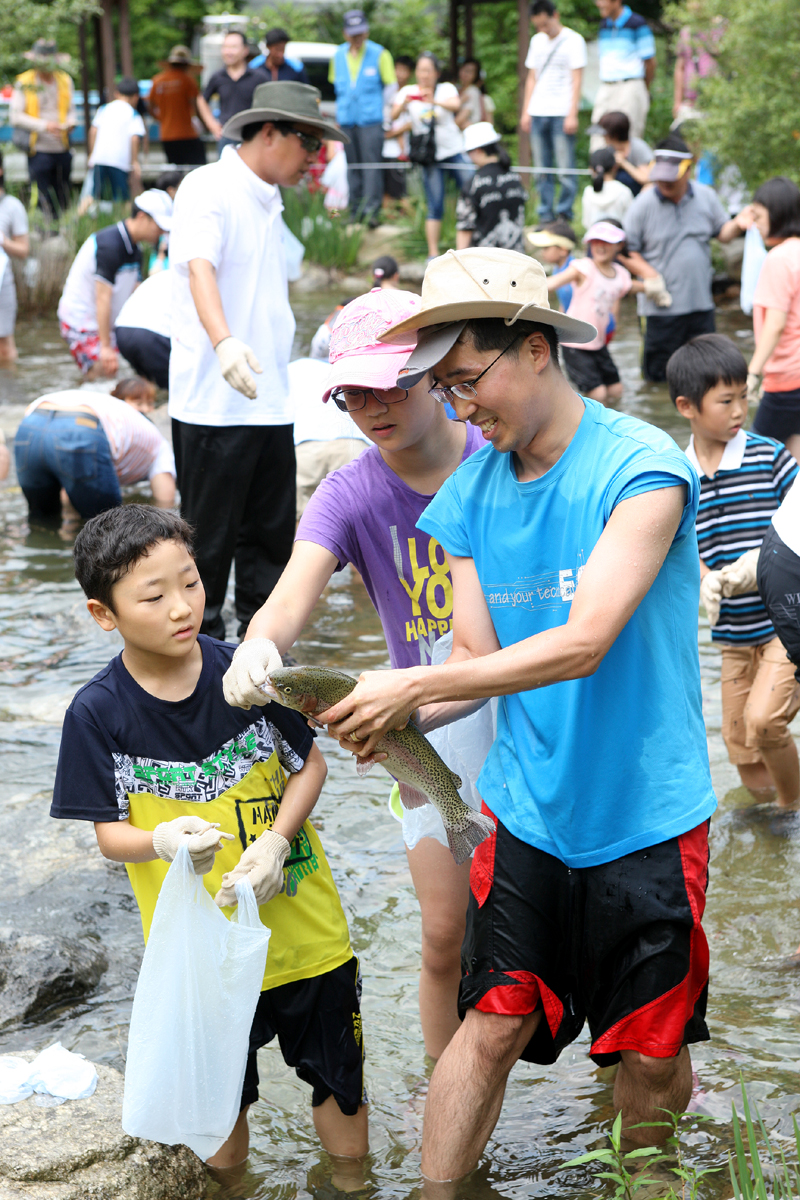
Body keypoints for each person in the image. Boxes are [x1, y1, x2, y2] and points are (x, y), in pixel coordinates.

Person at [313, 247, 718, 1184]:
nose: (459, 412)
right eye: (444, 392)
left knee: (648, 1052)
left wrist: (406, 690)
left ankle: (644, 1180)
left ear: (536, 348)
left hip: (647, 812)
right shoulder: (468, 495)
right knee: (492, 1019)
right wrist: (384, 710)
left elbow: (585, 642)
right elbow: (468, 663)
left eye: (466, 383)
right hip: (530, 808)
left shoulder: (642, 470)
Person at [50, 505, 368, 1176]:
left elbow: (308, 763)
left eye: (191, 583)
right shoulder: (97, 713)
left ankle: (353, 1184)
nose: (181, 607)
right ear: (103, 614)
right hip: (201, 955)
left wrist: (279, 841)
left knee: (340, 1087)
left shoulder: (248, 675)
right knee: (220, 1110)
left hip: (309, 934)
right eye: (154, 595)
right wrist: (159, 840)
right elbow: (111, 835)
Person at [221, 286, 490, 1061]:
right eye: (352, 394)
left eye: (391, 384)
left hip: (524, 702)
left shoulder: (493, 459)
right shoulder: (350, 492)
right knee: (443, 935)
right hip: (419, 729)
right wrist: (259, 646)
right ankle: (447, 1089)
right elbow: (288, 599)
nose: (374, 407)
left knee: (547, 923)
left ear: (437, 374)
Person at [168, 82, 347, 642]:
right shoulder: (209, 186)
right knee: (205, 552)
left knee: (270, 544)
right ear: (269, 133)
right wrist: (223, 343)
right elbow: (200, 267)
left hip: (272, 404)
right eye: (308, 143)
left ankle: (263, 663)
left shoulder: (271, 199)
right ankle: (198, 667)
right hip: (214, 406)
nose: (313, 159)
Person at [669, 333, 800, 806]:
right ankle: (766, 826)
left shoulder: (769, 457)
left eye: (744, 396)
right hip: (731, 633)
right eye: (726, 401)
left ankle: (791, 812)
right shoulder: (674, 474)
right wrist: (706, 577)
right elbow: (680, 546)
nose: (740, 410)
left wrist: (757, 562)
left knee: (766, 721)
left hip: (783, 622)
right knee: (740, 741)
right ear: (687, 406)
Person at [623, 134, 750, 382]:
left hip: (701, 307)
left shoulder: (706, 197)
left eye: (671, 177)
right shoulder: (642, 204)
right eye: (660, 176)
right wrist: (651, 275)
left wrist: (739, 224)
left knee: (705, 376)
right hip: (660, 311)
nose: (664, 183)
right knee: (659, 379)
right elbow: (627, 251)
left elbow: (722, 233)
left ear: (688, 170)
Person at [14, 378, 176, 522]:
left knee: (43, 521)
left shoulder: (115, 410)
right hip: (81, 427)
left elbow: (68, 479)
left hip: (32, 422)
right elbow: (165, 501)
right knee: (105, 528)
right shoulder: (161, 446)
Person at [547, 220, 670, 404]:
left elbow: (629, 287)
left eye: (606, 242)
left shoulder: (619, 273)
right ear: (589, 245)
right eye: (596, 242)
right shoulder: (584, 268)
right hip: (575, 344)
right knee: (598, 394)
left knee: (616, 390)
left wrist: (651, 289)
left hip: (598, 343)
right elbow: (554, 282)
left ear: (618, 246)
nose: (600, 246)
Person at [57, 190, 173, 379]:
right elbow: (102, 298)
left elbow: (136, 291)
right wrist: (105, 347)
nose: (161, 232)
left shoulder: (134, 247)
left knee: (123, 370)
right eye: (158, 226)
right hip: (81, 321)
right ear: (142, 217)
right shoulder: (109, 244)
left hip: (104, 321)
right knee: (103, 370)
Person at [392, 53, 471, 260]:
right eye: (420, 70)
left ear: (436, 72)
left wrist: (433, 100)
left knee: (472, 189)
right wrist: (405, 103)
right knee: (434, 203)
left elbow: (456, 106)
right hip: (429, 157)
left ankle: (472, 247)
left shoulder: (446, 89)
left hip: (452, 150)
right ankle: (433, 254)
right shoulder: (408, 91)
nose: (424, 75)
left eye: (428, 70)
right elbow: (392, 116)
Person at [745, 177, 800, 464]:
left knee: (756, 457)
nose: (755, 224)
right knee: (793, 455)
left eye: (758, 216)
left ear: (776, 213)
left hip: (787, 379)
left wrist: (753, 374)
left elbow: (776, 324)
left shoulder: (779, 259)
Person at [520, 0, 587, 223]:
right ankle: (545, 216)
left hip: (561, 111)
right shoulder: (536, 41)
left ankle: (564, 215)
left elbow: (577, 79)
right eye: (538, 25)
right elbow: (532, 77)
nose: (542, 29)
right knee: (541, 168)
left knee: (565, 168)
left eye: (545, 24)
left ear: (555, 16)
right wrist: (526, 111)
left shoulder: (573, 40)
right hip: (538, 111)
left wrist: (572, 113)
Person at [330, 10, 396, 226]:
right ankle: (355, 211)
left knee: (371, 167)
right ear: (345, 33)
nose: (357, 38)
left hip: (371, 120)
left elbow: (391, 86)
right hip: (348, 120)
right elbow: (336, 86)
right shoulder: (338, 55)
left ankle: (372, 213)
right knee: (352, 166)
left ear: (366, 31)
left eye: (361, 33)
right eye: (353, 34)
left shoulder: (380, 53)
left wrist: (378, 107)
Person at [289, 356, 368, 516]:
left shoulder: (295, 367)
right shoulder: (354, 364)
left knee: (302, 516)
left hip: (306, 445)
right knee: (355, 514)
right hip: (351, 445)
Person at [10, 40, 76, 218]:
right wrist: (45, 126)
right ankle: (44, 231)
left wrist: (70, 123)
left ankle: (62, 228)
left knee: (63, 192)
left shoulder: (64, 80)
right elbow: (15, 116)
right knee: (41, 194)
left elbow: (71, 110)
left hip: (62, 146)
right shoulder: (24, 81)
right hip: (38, 148)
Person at [591, 0, 655, 145]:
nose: (598, 4)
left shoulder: (637, 23)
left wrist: (643, 88)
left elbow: (650, 62)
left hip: (630, 85)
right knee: (598, 135)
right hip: (606, 86)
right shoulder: (604, 24)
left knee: (629, 136)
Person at [456, 124, 527, 253]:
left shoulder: (473, 184)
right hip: (516, 259)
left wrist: (459, 259)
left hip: (485, 261)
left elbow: (465, 227)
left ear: (477, 150)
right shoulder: (515, 178)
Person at [196, 32, 270, 153]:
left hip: (252, 137)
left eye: (234, 47)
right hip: (226, 136)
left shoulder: (259, 77)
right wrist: (212, 125)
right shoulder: (218, 77)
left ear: (245, 50)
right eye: (225, 47)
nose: (228, 52)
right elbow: (202, 99)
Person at [88, 77, 146, 203]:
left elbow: (93, 131)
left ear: (116, 93)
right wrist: (134, 161)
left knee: (93, 195)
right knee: (123, 198)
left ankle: (77, 220)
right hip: (120, 161)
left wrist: (92, 154)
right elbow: (135, 138)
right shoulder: (133, 114)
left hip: (100, 158)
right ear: (136, 97)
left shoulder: (103, 109)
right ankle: (124, 220)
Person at [115, 270, 172, 389]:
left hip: (123, 330)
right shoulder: (192, 278)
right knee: (175, 384)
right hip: (151, 335)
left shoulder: (162, 276)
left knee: (145, 383)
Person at [149, 46, 205, 167]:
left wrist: (160, 118)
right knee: (197, 167)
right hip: (187, 133)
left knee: (174, 170)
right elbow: (196, 105)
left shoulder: (157, 81)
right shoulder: (188, 80)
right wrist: (204, 124)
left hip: (166, 135)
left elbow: (150, 106)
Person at [0, 153, 30, 364]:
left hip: (2, 282)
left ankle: (10, 394)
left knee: (4, 345)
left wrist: (2, 240)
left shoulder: (12, 206)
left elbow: (23, 249)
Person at [594, 109, 651, 195]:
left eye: (605, 133)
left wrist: (623, 163)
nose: (602, 136)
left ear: (614, 134)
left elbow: (646, 179)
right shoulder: (608, 149)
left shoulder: (638, 147)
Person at [526, 220, 577, 311]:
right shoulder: (557, 268)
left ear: (563, 250)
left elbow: (547, 285)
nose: (542, 252)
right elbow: (563, 302)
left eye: (546, 248)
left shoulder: (575, 268)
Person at [581, 146, 633, 227]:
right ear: (615, 167)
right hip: (618, 238)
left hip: (594, 238)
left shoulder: (587, 192)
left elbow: (586, 223)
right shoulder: (624, 191)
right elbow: (630, 222)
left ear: (591, 169)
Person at [456, 59, 488, 129]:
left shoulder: (472, 91)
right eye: (465, 70)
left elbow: (461, 119)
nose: (466, 74)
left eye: (470, 72)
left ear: (475, 75)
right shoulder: (456, 89)